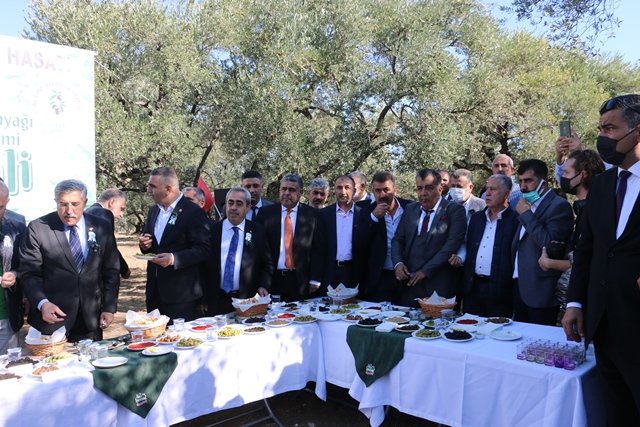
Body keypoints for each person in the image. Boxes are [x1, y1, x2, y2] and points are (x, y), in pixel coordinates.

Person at [562, 95, 640, 425]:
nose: (602, 138)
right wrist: (575, 302)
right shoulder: (604, 184)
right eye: (600, 129)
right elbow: (587, 249)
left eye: (610, 129)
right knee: (617, 414)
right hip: (604, 326)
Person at [19, 179, 120, 341]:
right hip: (51, 320)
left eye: (75, 204)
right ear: (56, 202)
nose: (69, 210)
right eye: (63, 204)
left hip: (89, 320)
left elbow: (111, 270)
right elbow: (29, 274)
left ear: (85, 202)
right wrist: (42, 303)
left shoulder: (101, 226)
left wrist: (108, 307)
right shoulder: (38, 228)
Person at [139, 167, 211, 321]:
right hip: (154, 293)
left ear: (168, 189)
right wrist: (144, 246)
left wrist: (173, 259)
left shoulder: (193, 212)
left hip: (181, 296)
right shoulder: (153, 211)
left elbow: (203, 249)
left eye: (152, 186)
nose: (148, 190)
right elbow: (153, 245)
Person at [539, 149, 605, 314]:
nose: (563, 177)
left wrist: (549, 263)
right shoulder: (583, 209)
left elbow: (585, 258)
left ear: (582, 175)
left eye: (567, 172)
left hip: (585, 303)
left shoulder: (595, 211)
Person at [391, 168, 467, 307]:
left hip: (440, 287)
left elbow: (452, 244)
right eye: (419, 188)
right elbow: (398, 239)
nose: (423, 193)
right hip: (410, 285)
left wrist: (426, 271)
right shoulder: (411, 209)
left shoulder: (454, 210)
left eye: (429, 188)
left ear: (440, 189)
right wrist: (398, 264)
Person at [511, 159, 574, 326]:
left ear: (543, 183)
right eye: (520, 181)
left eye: (528, 180)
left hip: (541, 290)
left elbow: (551, 246)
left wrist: (526, 215)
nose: (523, 187)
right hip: (519, 286)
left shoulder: (559, 206)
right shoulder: (525, 205)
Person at [257, 174, 326, 302]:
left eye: (292, 190)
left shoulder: (312, 215)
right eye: (284, 189)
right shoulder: (266, 214)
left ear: (301, 193)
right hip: (273, 280)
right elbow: (259, 250)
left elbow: (318, 250)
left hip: (300, 281)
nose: (287, 193)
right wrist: (262, 282)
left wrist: (315, 279)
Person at [208, 187, 273, 314]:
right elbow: (203, 267)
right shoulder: (212, 230)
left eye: (239, 204)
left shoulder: (258, 231)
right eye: (230, 203)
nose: (233, 207)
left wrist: (263, 285)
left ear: (248, 207)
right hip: (216, 300)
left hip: (247, 300)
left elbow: (267, 264)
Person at [462, 175, 519, 317]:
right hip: (473, 289)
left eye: (493, 189)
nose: (487, 193)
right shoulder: (477, 218)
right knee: (470, 327)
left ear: (506, 194)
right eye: (487, 188)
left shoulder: (516, 220)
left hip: (500, 292)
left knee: (497, 328)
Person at [354, 171, 411, 304]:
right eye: (378, 191)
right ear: (373, 192)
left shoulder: (410, 208)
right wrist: (373, 218)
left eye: (386, 190)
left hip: (408, 274)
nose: (382, 195)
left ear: (395, 190)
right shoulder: (366, 212)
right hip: (381, 277)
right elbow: (360, 242)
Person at [319, 176, 363, 291]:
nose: (343, 192)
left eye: (347, 187)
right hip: (330, 273)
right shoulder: (323, 214)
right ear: (334, 190)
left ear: (354, 190)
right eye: (339, 187)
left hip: (353, 273)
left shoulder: (363, 215)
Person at [0, 181, 25, 354]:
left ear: (7, 202)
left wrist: (15, 274)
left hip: (7, 316)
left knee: (8, 368)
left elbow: (26, 263)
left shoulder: (16, 227)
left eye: (0, 207)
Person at [85, 188, 131, 279]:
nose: (121, 214)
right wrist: (124, 270)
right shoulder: (104, 213)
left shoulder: (88, 211)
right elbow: (109, 247)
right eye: (121, 209)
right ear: (112, 202)